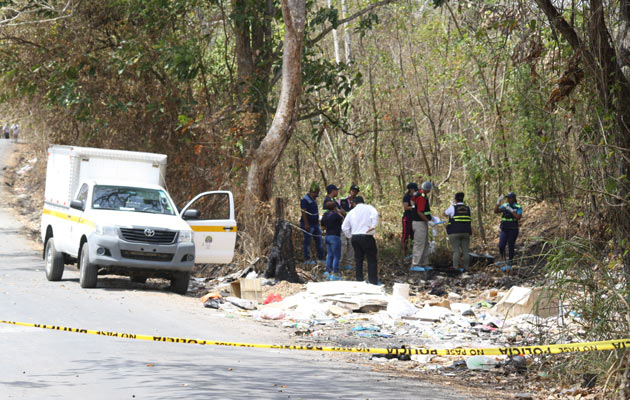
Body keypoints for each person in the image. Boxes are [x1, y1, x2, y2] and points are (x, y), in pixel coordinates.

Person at [342, 196, 380, 285]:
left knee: (358, 260)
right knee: (371, 260)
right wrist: (373, 226)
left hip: (355, 237)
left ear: (354, 203)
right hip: (367, 236)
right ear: (364, 202)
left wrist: (350, 236)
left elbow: (344, 227)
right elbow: (375, 216)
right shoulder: (369, 208)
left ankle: (359, 281)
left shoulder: (351, 212)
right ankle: (373, 282)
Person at [494, 192, 522, 271]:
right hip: (504, 228)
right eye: (508, 198)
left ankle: (510, 262)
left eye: (510, 198)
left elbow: (518, 217)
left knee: (511, 245)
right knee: (501, 245)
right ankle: (503, 260)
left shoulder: (518, 207)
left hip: (513, 229)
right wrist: (498, 202)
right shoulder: (505, 205)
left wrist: (511, 210)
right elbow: (496, 211)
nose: (509, 199)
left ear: (514, 199)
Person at [444, 192, 472, 272]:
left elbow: (444, 214)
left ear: (456, 199)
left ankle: (455, 268)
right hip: (466, 232)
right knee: (465, 251)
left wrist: (451, 205)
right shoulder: (468, 208)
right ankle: (466, 268)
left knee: (456, 251)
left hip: (454, 232)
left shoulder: (453, 208)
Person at [410, 181, 433, 272]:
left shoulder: (417, 193)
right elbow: (420, 212)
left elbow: (412, 200)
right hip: (419, 223)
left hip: (422, 222)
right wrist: (428, 221)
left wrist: (413, 207)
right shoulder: (421, 197)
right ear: (428, 189)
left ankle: (424, 262)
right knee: (419, 243)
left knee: (425, 243)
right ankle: (415, 264)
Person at [300, 182, 325, 264]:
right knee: (307, 241)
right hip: (308, 224)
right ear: (314, 191)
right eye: (317, 192)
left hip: (315, 224)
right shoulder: (305, 199)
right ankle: (307, 259)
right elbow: (304, 212)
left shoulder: (314, 199)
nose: (318, 194)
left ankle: (320, 258)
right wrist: (306, 224)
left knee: (319, 240)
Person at [322, 200, 344, 280]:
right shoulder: (336, 215)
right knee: (336, 256)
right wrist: (338, 212)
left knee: (329, 255)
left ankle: (327, 271)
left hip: (327, 236)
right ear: (334, 207)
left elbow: (323, 226)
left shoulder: (325, 215)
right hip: (335, 237)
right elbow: (343, 219)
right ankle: (335, 273)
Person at [339, 185, 360, 270]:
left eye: (356, 191)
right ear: (350, 191)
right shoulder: (342, 200)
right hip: (344, 226)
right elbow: (338, 210)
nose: (354, 192)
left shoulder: (358, 201)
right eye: (353, 190)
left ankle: (349, 263)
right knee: (343, 244)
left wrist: (346, 214)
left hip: (354, 227)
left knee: (351, 245)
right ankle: (339, 263)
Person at [402, 182, 418, 261]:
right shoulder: (406, 197)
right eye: (414, 190)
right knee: (405, 236)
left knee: (413, 236)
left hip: (413, 218)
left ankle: (412, 254)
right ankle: (404, 253)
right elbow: (406, 207)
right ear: (411, 189)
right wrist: (414, 207)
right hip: (407, 218)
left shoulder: (416, 196)